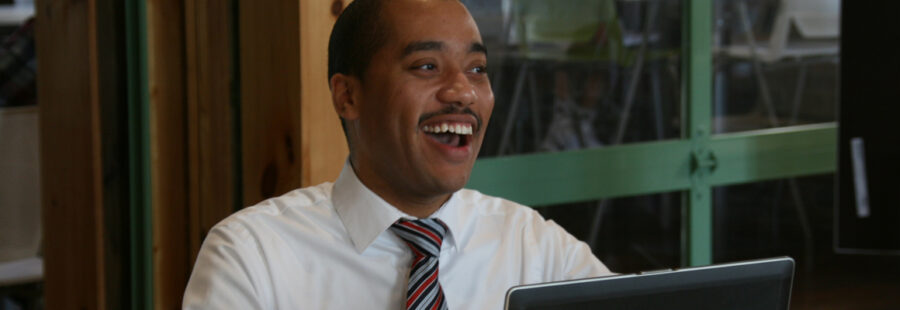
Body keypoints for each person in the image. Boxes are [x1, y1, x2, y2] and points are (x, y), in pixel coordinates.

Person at [182, 0, 611, 309]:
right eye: (426, 66)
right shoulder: (253, 257)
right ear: (348, 96)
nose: (463, 91)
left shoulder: (535, 248)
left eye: (477, 69)